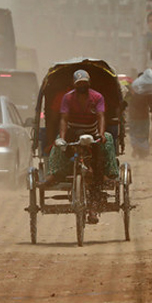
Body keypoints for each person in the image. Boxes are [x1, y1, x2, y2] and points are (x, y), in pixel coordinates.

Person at [39, 70, 116, 224]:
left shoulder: (97, 97)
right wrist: (62, 136)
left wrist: (100, 134)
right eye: (79, 84)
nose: (82, 86)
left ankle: (104, 178)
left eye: (85, 84)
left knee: (105, 145)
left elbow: (101, 116)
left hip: (92, 132)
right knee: (59, 145)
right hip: (73, 131)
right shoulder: (67, 98)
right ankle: (56, 173)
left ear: (88, 84)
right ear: (74, 84)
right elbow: (64, 119)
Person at [128, 73, 152, 159]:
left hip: (133, 115)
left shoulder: (132, 89)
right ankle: (141, 151)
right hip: (143, 116)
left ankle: (136, 147)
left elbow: (126, 101)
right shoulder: (148, 90)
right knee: (143, 134)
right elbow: (151, 104)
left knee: (134, 133)